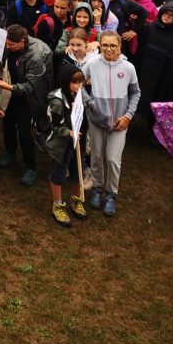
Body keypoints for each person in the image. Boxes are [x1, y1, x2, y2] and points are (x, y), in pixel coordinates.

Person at [82, 31, 140, 217]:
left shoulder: (129, 67)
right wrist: (90, 103)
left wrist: (128, 116)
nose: (108, 49)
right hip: (97, 121)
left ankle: (111, 194)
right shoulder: (92, 63)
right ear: (100, 45)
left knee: (113, 160)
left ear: (119, 47)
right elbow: (77, 84)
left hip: (119, 123)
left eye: (113, 46)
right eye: (105, 45)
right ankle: (98, 188)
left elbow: (135, 92)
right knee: (97, 157)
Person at [0, 25, 51, 186]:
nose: (8, 47)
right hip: (12, 90)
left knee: (24, 130)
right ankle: (10, 153)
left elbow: (30, 86)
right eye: (7, 44)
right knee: (7, 122)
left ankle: (30, 166)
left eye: (11, 45)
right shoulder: (9, 45)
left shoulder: (38, 55)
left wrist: (7, 87)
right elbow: (1, 60)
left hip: (30, 97)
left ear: (22, 41)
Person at [43, 65, 89, 227]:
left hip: (78, 144)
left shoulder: (78, 95)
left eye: (81, 82)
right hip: (62, 145)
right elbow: (54, 125)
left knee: (78, 172)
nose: (79, 86)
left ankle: (76, 200)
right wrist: (69, 132)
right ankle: (58, 205)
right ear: (65, 81)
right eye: (75, 82)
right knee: (58, 174)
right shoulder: (56, 101)